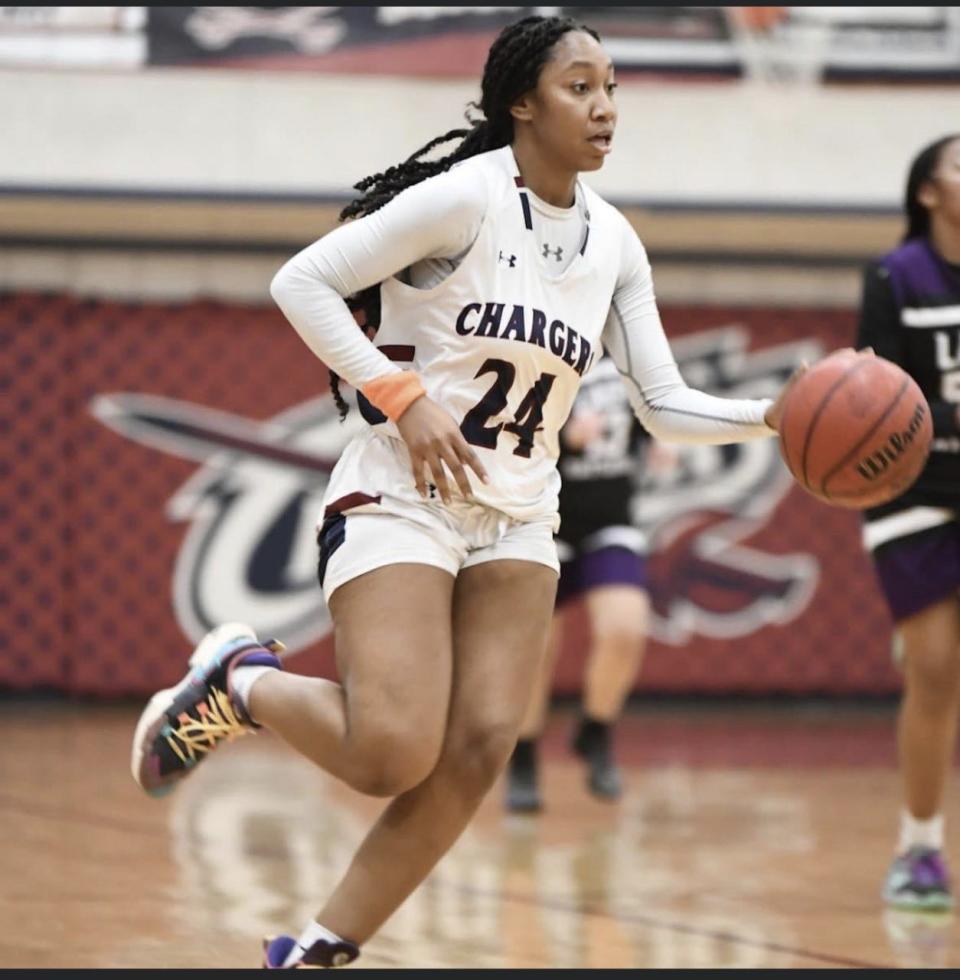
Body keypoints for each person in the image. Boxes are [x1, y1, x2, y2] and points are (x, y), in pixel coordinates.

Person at [130, 15, 806, 968]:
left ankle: (320, 947)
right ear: (521, 103)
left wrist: (779, 413)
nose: (605, 105)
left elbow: (663, 404)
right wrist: (402, 399)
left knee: (481, 746)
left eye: (612, 86)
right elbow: (305, 282)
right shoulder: (465, 198)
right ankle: (240, 680)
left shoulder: (615, 243)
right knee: (390, 753)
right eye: (581, 86)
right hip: (402, 495)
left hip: (521, 516)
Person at [856, 132, 960, 913]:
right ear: (929, 191)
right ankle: (920, 846)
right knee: (934, 669)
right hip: (916, 490)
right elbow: (875, 399)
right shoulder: (896, 276)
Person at [505, 354, 674, 811]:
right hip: (541, 521)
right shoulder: (535, 348)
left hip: (609, 520)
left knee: (626, 627)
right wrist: (562, 437)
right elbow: (498, 431)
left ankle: (595, 731)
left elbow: (651, 419)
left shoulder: (631, 359)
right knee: (535, 647)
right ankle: (522, 756)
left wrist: (659, 442)